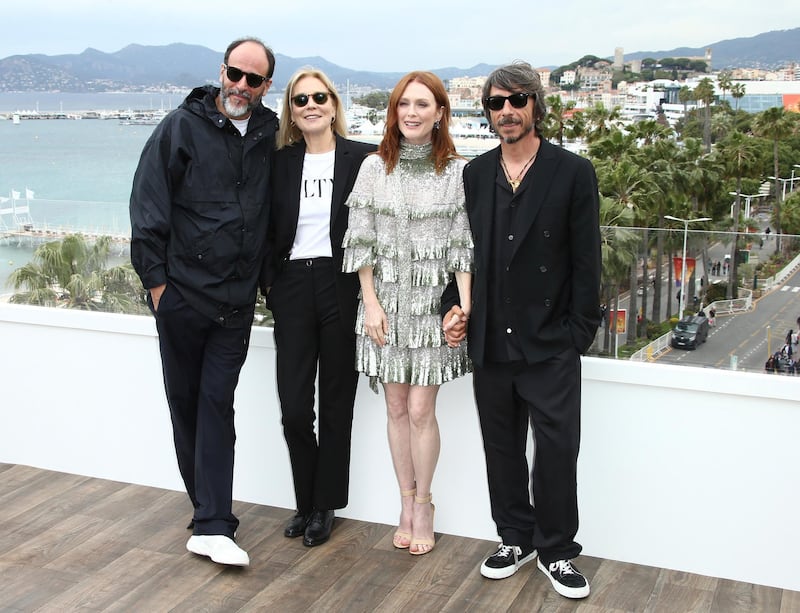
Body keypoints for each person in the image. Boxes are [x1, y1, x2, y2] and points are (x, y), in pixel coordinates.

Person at [442, 61, 601, 599]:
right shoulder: (476, 173)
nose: (506, 111)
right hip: (490, 338)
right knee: (501, 446)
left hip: (551, 340)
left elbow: (587, 261)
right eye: (496, 103)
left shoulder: (572, 172)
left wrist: (577, 334)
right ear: (487, 111)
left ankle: (557, 550)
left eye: (516, 101)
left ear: (536, 105)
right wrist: (453, 306)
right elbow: (466, 255)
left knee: (556, 449)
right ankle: (515, 537)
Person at [129, 37, 278, 567]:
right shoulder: (180, 126)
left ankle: (214, 523)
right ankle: (206, 514)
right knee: (187, 405)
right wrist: (158, 287)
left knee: (217, 404)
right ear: (222, 71)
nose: (241, 86)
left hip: (235, 306)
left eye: (253, 79)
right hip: (183, 299)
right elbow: (148, 204)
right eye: (235, 73)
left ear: (266, 86)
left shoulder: (269, 134)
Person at [341, 71, 473, 556]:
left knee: (421, 410)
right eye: (403, 105)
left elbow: (463, 247)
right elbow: (361, 240)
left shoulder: (458, 172)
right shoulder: (375, 168)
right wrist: (370, 304)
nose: (411, 113)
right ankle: (404, 503)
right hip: (384, 310)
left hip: (431, 312)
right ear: (394, 113)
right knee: (396, 408)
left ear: (440, 113)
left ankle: (425, 503)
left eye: (422, 105)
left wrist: (464, 309)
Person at [261, 68, 375, 547]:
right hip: (291, 285)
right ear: (291, 108)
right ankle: (304, 499)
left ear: (333, 104)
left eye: (319, 97)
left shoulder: (362, 159)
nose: (310, 104)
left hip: (340, 283)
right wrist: (271, 283)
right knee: (292, 408)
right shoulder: (279, 161)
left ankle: (324, 505)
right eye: (300, 98)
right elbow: (263, 225)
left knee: (335, 403)